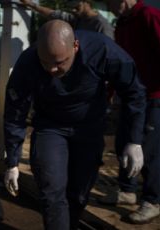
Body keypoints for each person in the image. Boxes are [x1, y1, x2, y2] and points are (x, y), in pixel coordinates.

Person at [3, 20, 146, 230]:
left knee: (78, 194)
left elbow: (134, 91)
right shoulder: (28, 62)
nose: (52, 69)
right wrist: (13, 161)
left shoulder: (102, 50)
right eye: (46, 62)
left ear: (75, 47)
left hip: (89, 127)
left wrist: (134, 140)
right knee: (51, 191)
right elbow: (15, 111)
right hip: (50, 126)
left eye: (59, 62)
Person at [98, 0, 160, 224]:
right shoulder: (123, 24)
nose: (108, 7)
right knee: (124, 142)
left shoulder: (149, 15)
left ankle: (153, 200)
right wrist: (113, 90)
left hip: (154, 95)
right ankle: (127, 190)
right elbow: (120, 62)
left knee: (150, 150)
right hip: (131, 96)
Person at [19, 0, 115, 39]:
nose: (73, 10)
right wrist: (31, 4)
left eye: (77, 6)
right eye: (71, 7)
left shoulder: (101, 26)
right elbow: (53, 14)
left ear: (87, 2)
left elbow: (110, 53)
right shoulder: (77, 19)